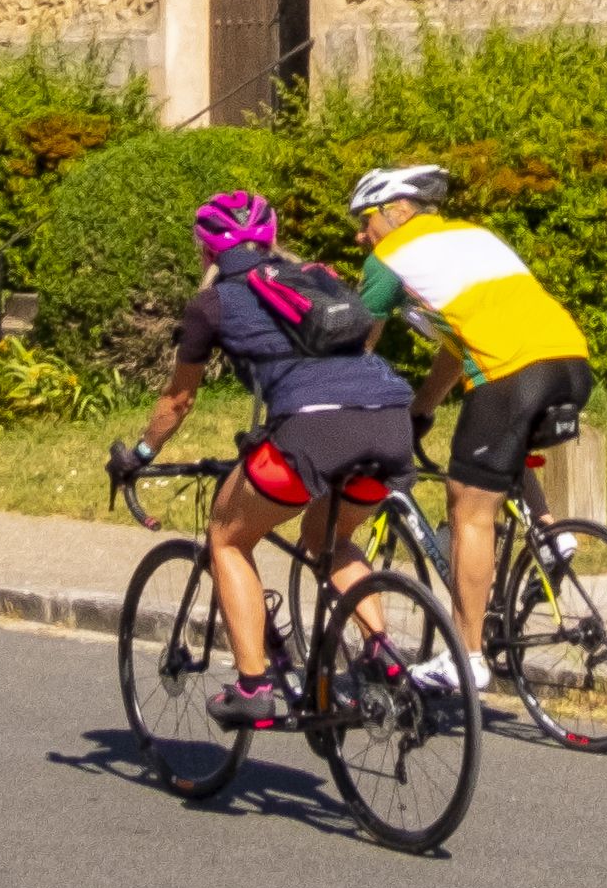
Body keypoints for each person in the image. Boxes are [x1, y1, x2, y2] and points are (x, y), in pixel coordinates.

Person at [112, 190, 420, 732]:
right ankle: (383, 655)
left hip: (313, 430)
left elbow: (178, 400)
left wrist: (139, 455)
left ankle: (254, 687)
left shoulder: (213, 302)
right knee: (330, 538)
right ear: (272, 238)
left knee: (227, 536)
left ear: (206, 253)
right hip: (391, 416)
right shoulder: (320, 278)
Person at [345, 162, 595, 645]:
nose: (361, 235)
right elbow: (455, 352)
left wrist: (343, 401)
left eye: (365, 219)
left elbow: (361, 344)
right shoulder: (472, 237)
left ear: (398, 210)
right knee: (501, 451)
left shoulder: (390, 257)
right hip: (571, 362)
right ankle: (549, 534)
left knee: (469, 514)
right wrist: (422, 409)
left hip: (513, 374)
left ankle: (467, 658)